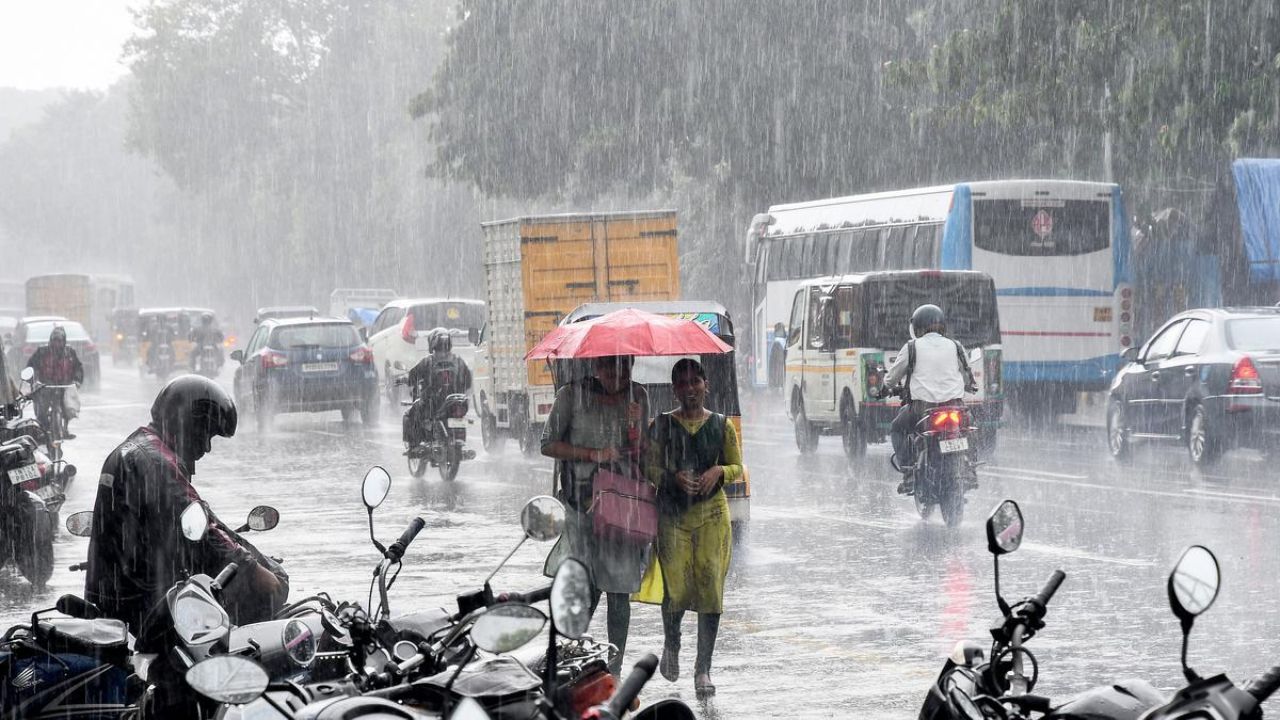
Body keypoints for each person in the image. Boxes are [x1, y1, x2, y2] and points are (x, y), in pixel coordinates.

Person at [85, 375, 289, 636]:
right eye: (206, 434)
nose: (206, 448)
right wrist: (252, 569)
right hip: (142, 600)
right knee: (246, 624)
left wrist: (248, 555)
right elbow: (200, 527)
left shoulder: (139, 449)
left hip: (117, 593)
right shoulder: (156, 463)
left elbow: (198, 517)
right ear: (186, 424)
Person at [541, 354, 650, 675]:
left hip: (621, 506)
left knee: (619, 590)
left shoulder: (638, 396)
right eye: (610, 369)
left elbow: (643, 451)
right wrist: (592, 454)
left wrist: (635, 428)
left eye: (625, 368)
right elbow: (547, 444)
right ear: (597, 368)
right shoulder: (570, 396)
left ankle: (614, 672)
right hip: (580, 505)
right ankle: (572, 663)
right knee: (583, 587)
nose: (618, 376)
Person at [644, 358, 741, 698]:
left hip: (713, 515)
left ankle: (703, 669)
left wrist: (721, 473)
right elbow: (649, 468)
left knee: (711, 588)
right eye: (682, 384)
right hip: (673, 516)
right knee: (678, 589)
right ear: (674, 389)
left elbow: (737, 466)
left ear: (705, 384)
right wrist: (672, 478)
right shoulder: (661, 426)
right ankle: (672, 643)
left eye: (695, 382)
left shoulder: (722, 425)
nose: (690, 390)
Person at [883, 304, 977, 494]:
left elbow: (892, 378)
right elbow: (968, 377)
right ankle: (970, 467)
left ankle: (908, 473)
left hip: (923, 409)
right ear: (943, 326)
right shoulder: (956, 346)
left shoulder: (911, 347)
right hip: (955, 406)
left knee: (897, 429)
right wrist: (968, 385)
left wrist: (885, 388)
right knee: (971, 427)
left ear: (916, 327)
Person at [403, 327, 472, 446]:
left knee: (409, 414)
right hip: (455, 402)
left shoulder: (427, 361)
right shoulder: (458, 361)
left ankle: (414, 446)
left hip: (433, 403)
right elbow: (468, 381)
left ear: (432, 344)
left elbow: (412, 376)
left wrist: (403, 379)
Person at [26, 325, 84, 439]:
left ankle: (65, 428)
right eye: (55, 340)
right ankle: (44, 429)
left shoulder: (70, 353)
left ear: (64, 341)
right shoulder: (42, 352)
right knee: (41, 411)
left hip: (64, 386)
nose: (57, 343)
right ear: (51, 340)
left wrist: (76, 381)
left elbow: (78, 368)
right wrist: (34, 381)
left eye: (60, 341)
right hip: (45, 386)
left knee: (69, 408)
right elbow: (31, 367)